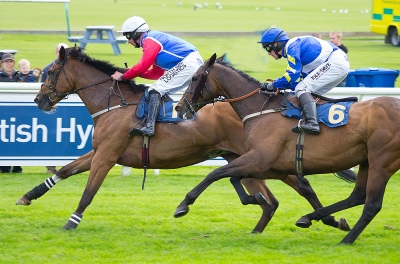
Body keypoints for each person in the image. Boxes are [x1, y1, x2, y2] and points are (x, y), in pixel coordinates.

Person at [111, 16, 203, 137]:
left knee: (156, 89)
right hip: (190, 64)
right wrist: (133, 73)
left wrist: (124, 76)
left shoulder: (149, 40)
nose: (128, 40)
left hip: (190, 63)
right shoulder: (151, 41)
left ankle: (150, 126)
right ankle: (165, 122)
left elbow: (142, 66)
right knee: (159, 89)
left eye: (128, 36)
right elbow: (157, 73)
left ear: (135, 33)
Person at [258, 28, 349, 135]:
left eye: (268, 48)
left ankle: (312, 123)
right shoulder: (298, 50)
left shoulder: (292, 46)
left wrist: (273, 85)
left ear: (276, 44)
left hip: (335, 62)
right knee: (307, 92)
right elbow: (297, 81)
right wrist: (278, 86)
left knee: (302, 89)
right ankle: (316, 122)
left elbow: (292, 75)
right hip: (338, 63)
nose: (269, 53)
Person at [41, 43, 68, 174]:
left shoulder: (71, 69)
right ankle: (50, 167)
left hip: (67, 110)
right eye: (60, 52)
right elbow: (44, 89)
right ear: (56, 52)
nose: (62, 54)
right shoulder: (48, 69)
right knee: (51, 136)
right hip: (53, 107)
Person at [0, 53, 23, 173]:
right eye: (6, 62)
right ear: (2, 63)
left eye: (11, 61)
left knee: (17, 140)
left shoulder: (18, 75)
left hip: (18, 113)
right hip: (3, 113)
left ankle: (17, 166)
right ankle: (3, 165)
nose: (9, 64)